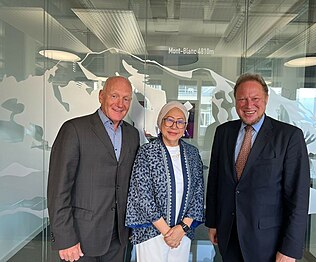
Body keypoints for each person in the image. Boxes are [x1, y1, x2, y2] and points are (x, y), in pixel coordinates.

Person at [205, 73, 310, 262]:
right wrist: (213, 223)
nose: (248, 105)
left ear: (266, 99)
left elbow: (298, 197)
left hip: (268, 242)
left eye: (255, 99)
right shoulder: (223, 132)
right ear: (235, 101)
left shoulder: (289, 136)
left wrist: (290, 249)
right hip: (228, 235)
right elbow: (215, 181)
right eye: (242, 99)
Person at [47, 76, 139, 261]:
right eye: (114, 96)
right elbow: (58, 189)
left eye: (126, 98)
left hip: (119, 237)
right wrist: (65, 238)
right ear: (101, 96)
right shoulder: (74, 129)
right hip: (81, 237)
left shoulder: (132, 134)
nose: (120, 104)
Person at [125, 101, 205, 262]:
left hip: (182, 234)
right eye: (169, 120)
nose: (174, 126)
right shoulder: (146, 152)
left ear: (184, 128)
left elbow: (198, 194)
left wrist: (181, 229)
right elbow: (142, 195)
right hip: (151, 233)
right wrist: (168, 232)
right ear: (160, 123)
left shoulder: (192, 154)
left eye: (180, 122)